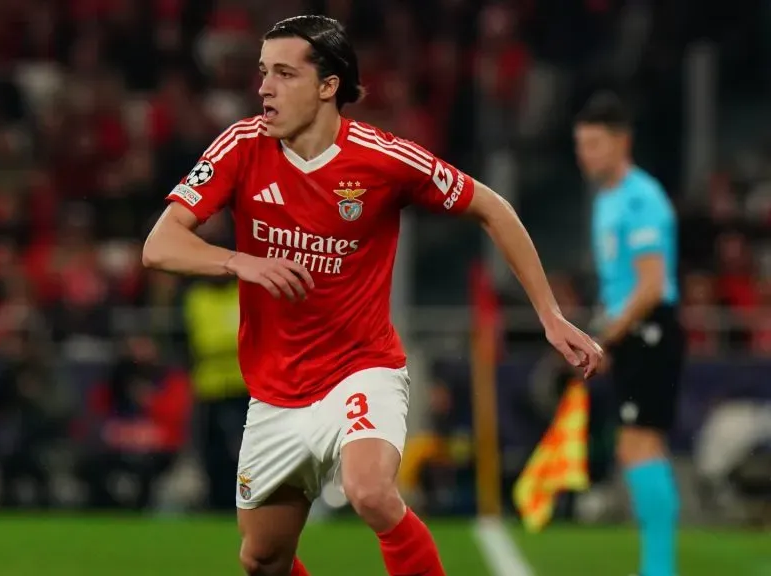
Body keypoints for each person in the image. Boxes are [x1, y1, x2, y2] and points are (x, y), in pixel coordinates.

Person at [143, 15, 603, 576]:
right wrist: (242, 262)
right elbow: (160, 244)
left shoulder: (384, 158)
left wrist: (549, 316)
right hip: (275, 388)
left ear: (328, 85)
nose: (264, 87)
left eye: (284, 74)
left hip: (361, 369)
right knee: (262, 559)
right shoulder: (241, 146)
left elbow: (492, 207)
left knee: (371, 492)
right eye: (263, 72)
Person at [575, 92, 684, 576]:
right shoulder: (607, 199)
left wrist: (607, 337)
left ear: (623, 142)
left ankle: (659, 568)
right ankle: (657, 566)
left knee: (639, 445)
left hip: (649, 327)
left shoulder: (642, 197)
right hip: (632, 330)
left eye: (595, 143)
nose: (586, 154)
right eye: (581, 144)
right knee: (636, 446)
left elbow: (651, 285)